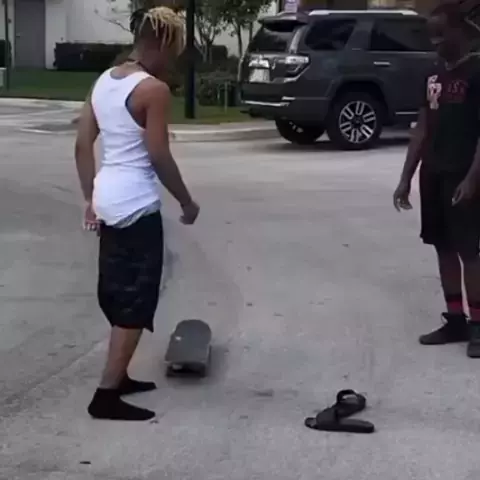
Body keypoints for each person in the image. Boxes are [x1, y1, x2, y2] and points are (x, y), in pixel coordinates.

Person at [74, 6, 200, 421]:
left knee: (117, 290)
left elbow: (82, 146)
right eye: (174, 51)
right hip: (136, 205)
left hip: (107, 200)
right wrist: (186, 201)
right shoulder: (153, 90)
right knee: (136, 298)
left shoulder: (104, 81)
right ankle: (106, 395)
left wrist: (89, 198)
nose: (173, 62)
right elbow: (159, 154)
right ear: (162, 43)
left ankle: (121, 375)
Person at [393, 1, 480, 358]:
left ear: (459, 31)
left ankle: (478, 326)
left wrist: (472, 178)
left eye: (442, 34)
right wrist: (406, 177)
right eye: (432, 36)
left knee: (469, 251)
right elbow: (421, 129)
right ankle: (455, 320)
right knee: (442, 247)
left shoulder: (477, 72)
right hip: (433, 173)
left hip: (464, 174)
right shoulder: (432, 75)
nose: (436, 42)